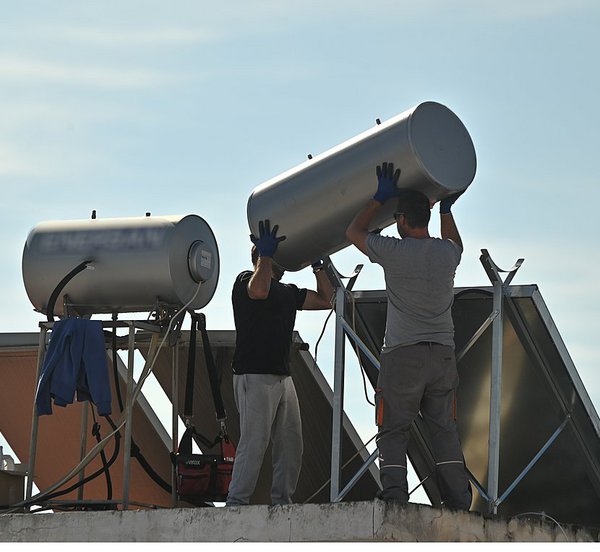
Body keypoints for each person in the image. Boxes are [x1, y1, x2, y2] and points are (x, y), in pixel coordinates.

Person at [345, 162, 471, 510]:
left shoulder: (394, 252)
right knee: (444, 431)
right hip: (442, 355)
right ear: (427, 217)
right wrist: (446, 209)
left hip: (403, 356)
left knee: (394, 430)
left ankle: (396, 500)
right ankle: (459, 502)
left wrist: (376, 199)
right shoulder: (446, 255)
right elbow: (455, 243)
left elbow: (353, 232)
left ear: (401, 220)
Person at [226, 219, 334, 506]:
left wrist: (318, 266)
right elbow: (259, 290)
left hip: (281, 377)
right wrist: (265, 256)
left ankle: (282, 503)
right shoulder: (244, 282)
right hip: (254, 375)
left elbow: (327, 300)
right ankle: (236, 503)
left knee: (291, 444)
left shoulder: (288, 292)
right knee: (255, 441)